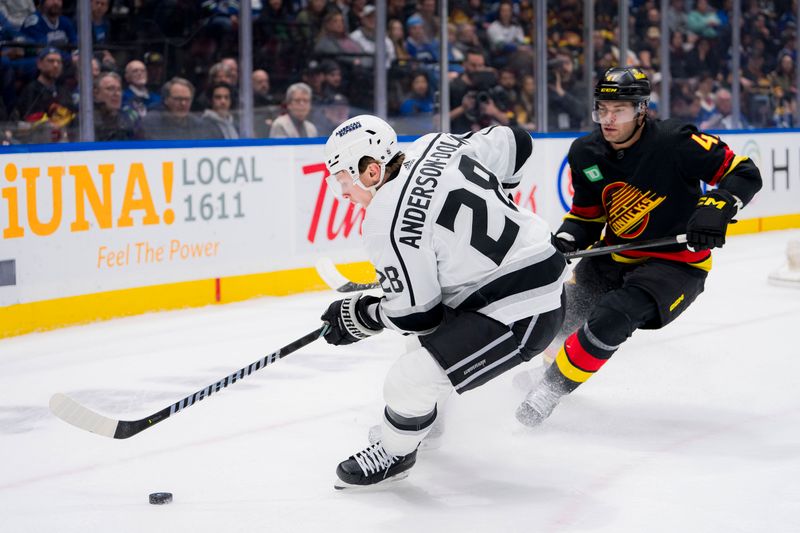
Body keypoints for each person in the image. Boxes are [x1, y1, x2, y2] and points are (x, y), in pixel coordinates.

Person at [319, 115, 570, 488]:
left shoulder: (383, 221)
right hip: (536, 272)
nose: (342, 192)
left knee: (408, 380)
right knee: (420, 348)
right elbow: (517, 141)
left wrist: (362, 315)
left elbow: (419, 315)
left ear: (371, 172)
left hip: (522, 311)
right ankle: (427, 425)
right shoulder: (436, 144)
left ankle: (395, 454)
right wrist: (503, 206)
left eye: (343, 179)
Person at [515, 67, 763, 427]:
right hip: (612, 259)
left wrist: (720, 204)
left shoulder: (675, 142)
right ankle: (547, 367)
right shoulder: (585, 153)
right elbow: (587, 216)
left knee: (614, 315)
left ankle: (549, 390)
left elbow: (744, 171)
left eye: (620, 110)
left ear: (642, 109)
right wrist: (565, 240)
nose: (609, 119)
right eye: (602, 109)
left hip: (676, 265)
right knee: (554, 317)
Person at [93, 71, 139, 141]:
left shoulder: (128, 120)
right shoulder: (86, 121)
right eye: (110, 89)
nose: (116, 94)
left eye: (119, 90)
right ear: (96, 94)